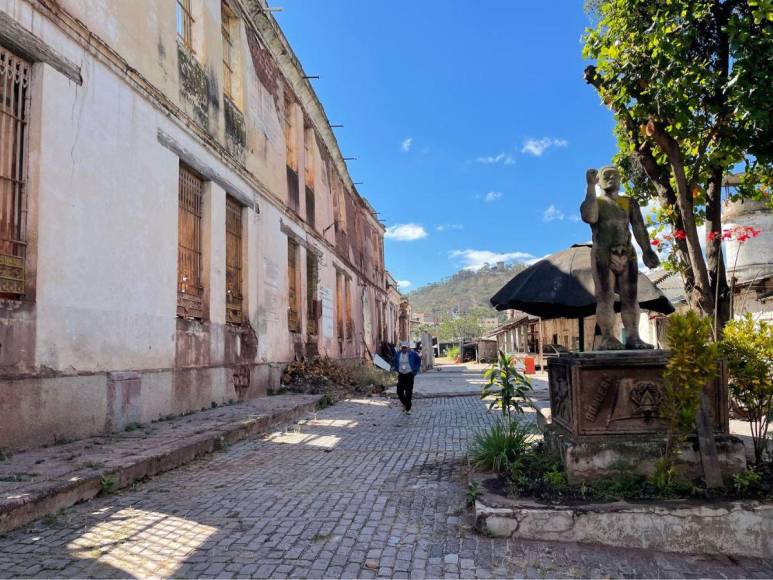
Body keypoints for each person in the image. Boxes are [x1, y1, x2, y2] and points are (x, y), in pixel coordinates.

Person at [393, 341, 421, 414]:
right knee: (399, 391)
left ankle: (408, 409)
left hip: (409, 374)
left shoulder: (413, 354)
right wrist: (396, 369)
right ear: (401, 348)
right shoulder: (398, 354)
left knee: (408, 392)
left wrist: (415, 370)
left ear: (408, 348)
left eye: (405, 347)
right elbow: (395, 361)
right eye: (403, 348)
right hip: (401, 374)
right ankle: (406, 404)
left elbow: (418, 361)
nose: (404, 349)